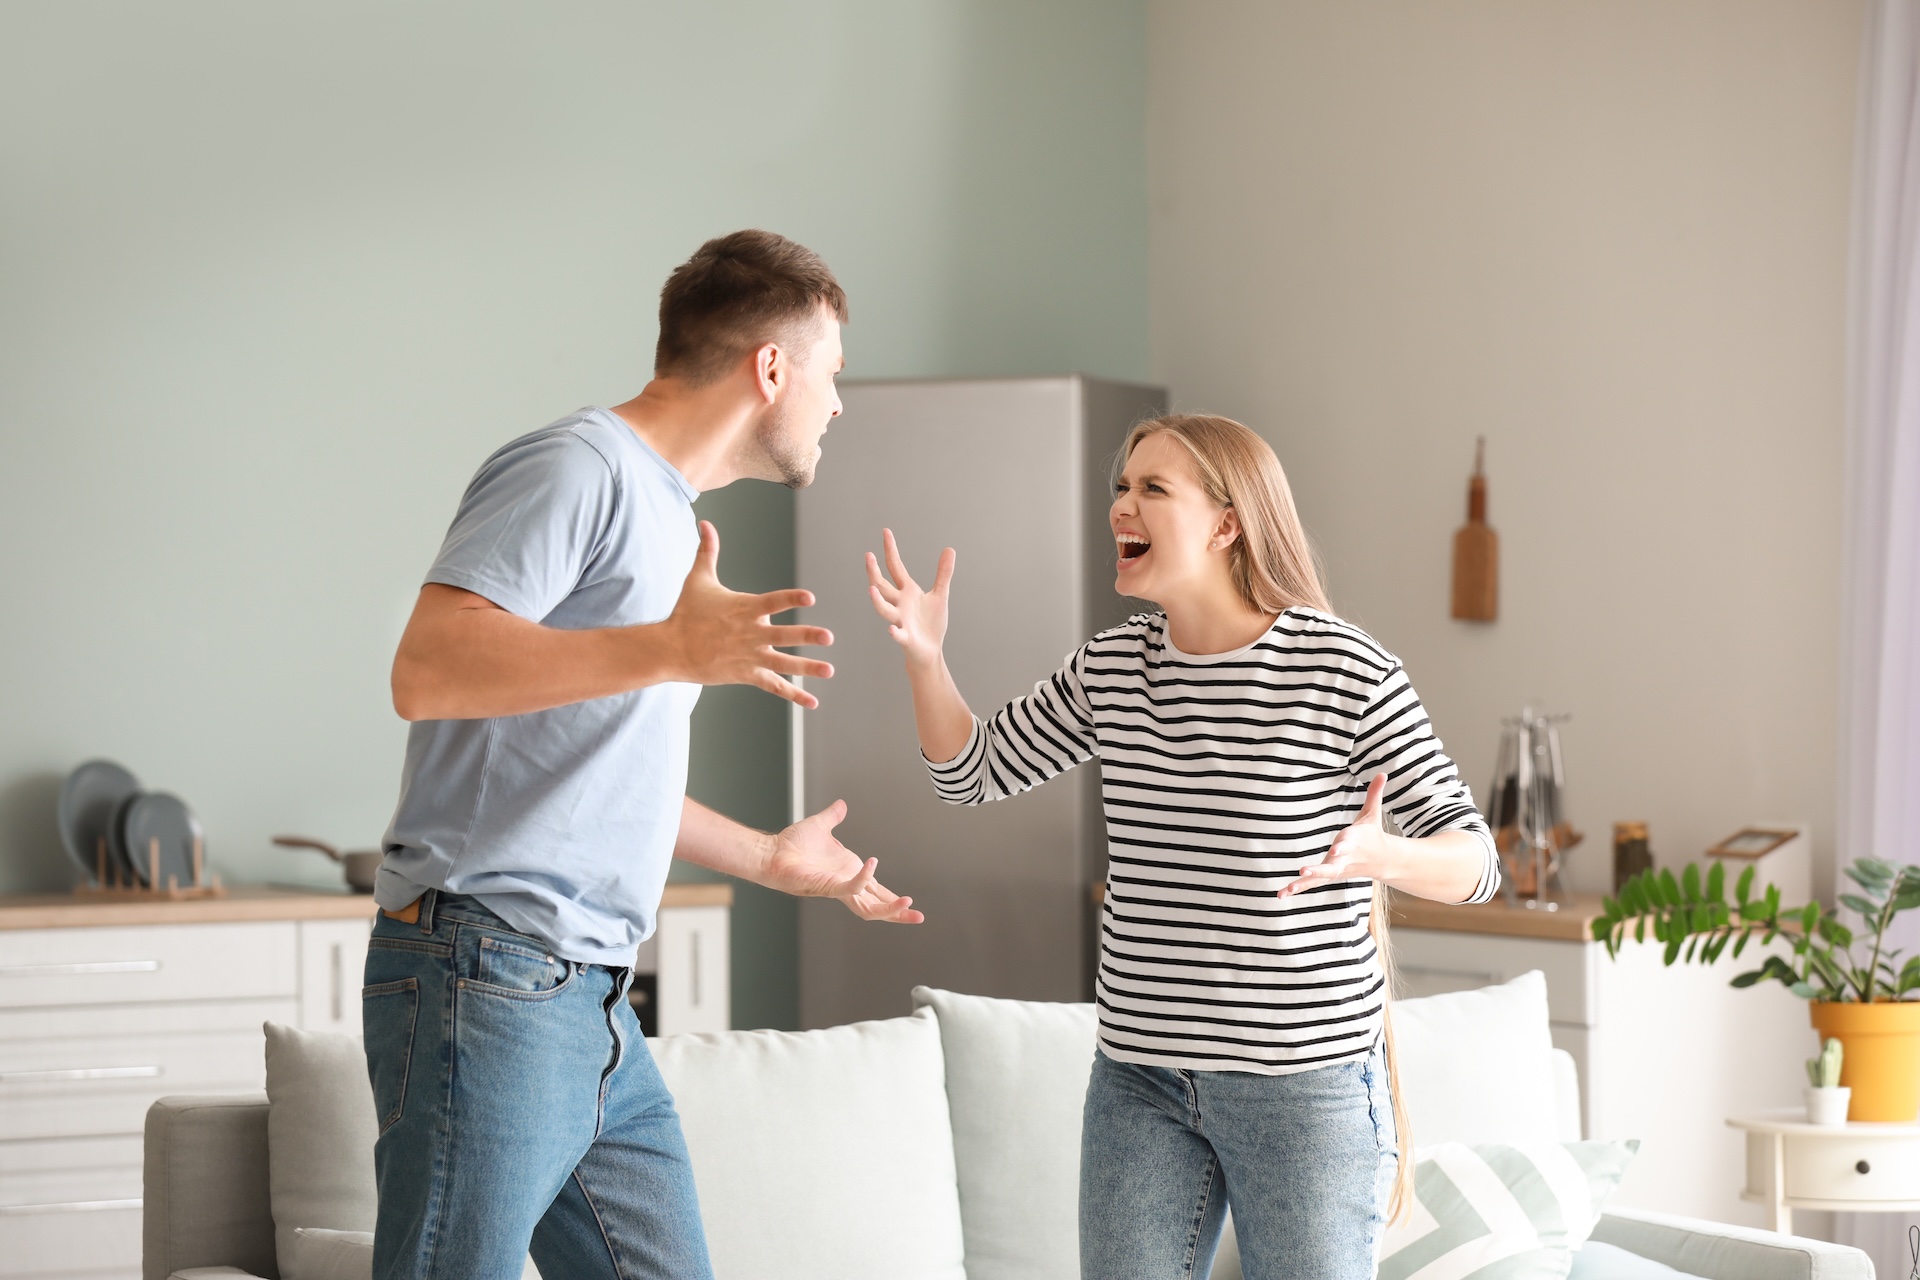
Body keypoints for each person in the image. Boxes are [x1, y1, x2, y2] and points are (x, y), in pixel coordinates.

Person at [366, 229, 921, 1280]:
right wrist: (672, 647)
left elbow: (584, 772)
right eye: (831, 374)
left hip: (590, 1000)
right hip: (492, 971)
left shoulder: (673, 515)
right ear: (772, 367)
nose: (837, 404)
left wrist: (764, 858)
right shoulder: (578, 465)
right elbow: (426, 667)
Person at [865, 413, 1499, 1280]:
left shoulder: (1344, 670)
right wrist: (925, 661)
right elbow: (971, 771)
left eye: (1152, 489)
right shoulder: (1115, 667)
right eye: (1121, 487)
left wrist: (1381, 856)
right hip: (1139, 1080)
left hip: (1304, 1090)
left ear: (1227, 523)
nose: (1122, 505)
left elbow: (1476, 863)